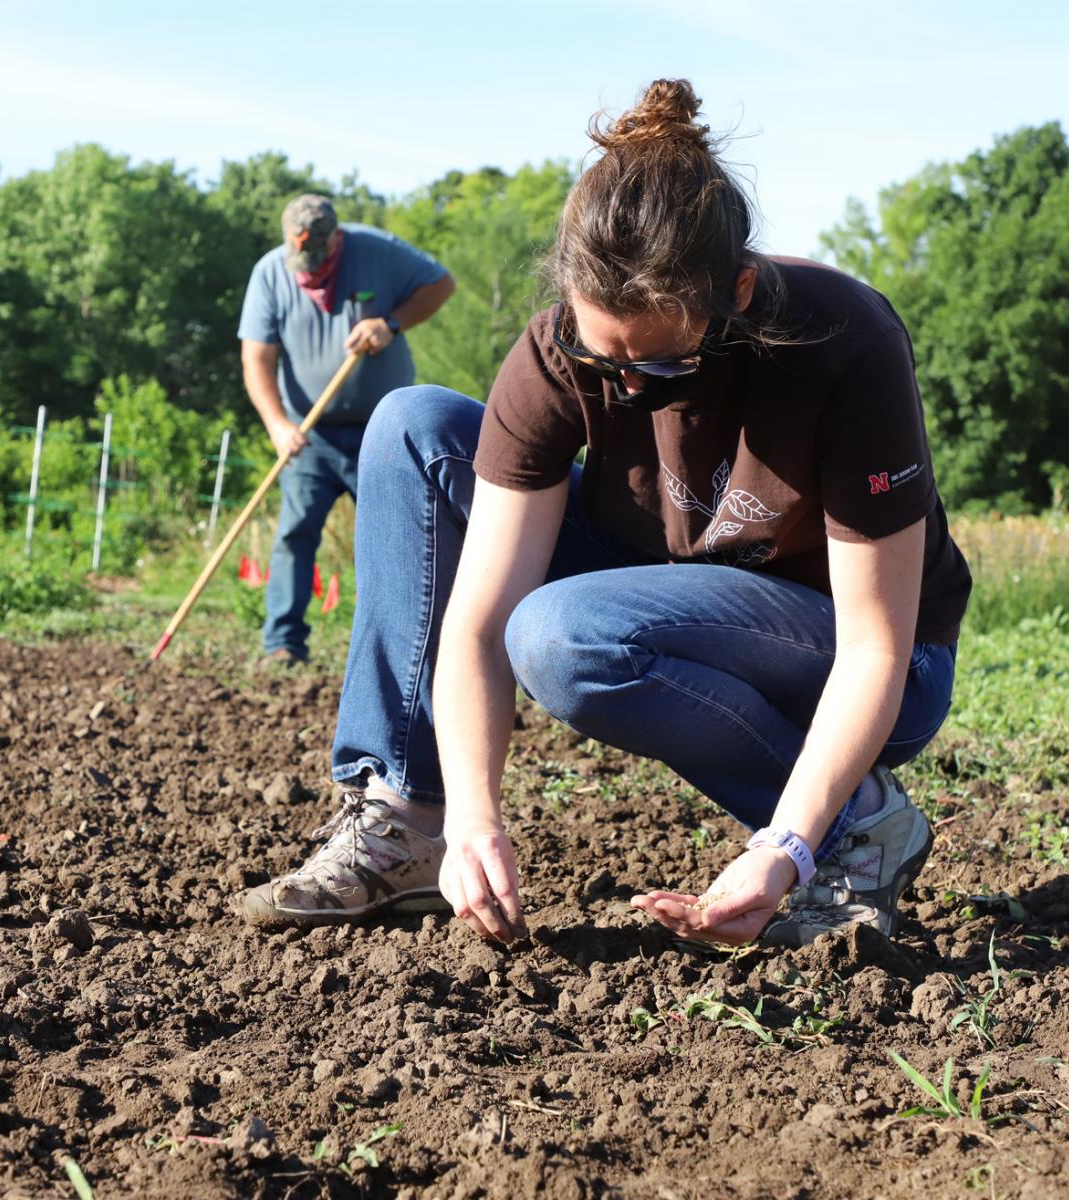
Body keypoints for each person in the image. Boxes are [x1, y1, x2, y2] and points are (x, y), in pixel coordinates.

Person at [242, 79, 972, 949]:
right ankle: (408, 819)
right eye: (602, 359)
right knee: (412, 427)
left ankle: (858, 826)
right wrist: (475, 814)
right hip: (658, 592)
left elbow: (876, 648)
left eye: (660, 368)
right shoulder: (557, 353)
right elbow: (477, 625)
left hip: (857, 656)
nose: (626, 387)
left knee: (563, 634)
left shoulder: (842, 343)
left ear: (735, 291)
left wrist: (785, 844)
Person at [237, 194, 455, 665]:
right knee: (295, 535)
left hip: (381, 431)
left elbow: (441, 285)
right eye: (300, 260)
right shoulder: (271, 273)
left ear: (336, 238)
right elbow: (256, 357)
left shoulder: (378, 250)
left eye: (316, 258)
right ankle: (283, 645)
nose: (307, 270)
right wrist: (276, 424)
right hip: (307, 435)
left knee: (397, 539)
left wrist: (390, 323)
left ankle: (406, 649)